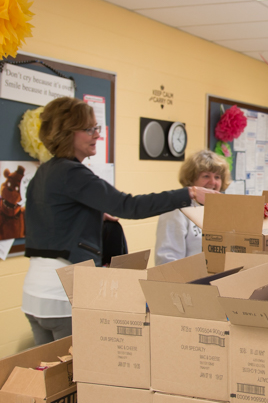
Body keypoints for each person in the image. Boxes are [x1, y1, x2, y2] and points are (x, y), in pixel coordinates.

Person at [23, 97, 218, 345]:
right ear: (66, 133)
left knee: (52, 377)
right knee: (81, 379)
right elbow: (129, 206)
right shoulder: (73, 173)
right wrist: (188, 193)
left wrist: (92, 214)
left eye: (97, 128)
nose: (97, 135)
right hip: (62, 295)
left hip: (34, 293)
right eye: (89, 129)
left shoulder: (45, 171)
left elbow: (51, 217)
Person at [154, 150, 230, 265]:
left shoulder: (222, 210)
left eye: (217, 177)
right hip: (189, 281)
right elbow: (167, 260)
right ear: (191, 179)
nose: (213, 182)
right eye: (206, 176)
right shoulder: (176, 211)